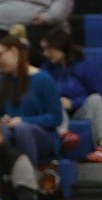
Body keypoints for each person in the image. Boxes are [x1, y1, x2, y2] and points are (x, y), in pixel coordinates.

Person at [0, 33, 68, 165]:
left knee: (22, 129)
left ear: (14, 52)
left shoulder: (43, 79)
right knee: (1, 132)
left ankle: (28, 177)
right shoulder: (0, 83)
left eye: (0, 56)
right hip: (10, 131)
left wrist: (23, 120)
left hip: (43, 136)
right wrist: (2, 119)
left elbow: (56, 117)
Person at [40, 29, 102, 161]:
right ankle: (65, 137)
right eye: (43, 50)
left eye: (48, 49)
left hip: (82, 110)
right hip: (59, 112)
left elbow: (98, 92)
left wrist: (73, 103)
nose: (45, 54)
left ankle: (101, 146)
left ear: (59, 46)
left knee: (96, 100)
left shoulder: (85, 66)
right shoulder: (46, 69)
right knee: (54, 101)